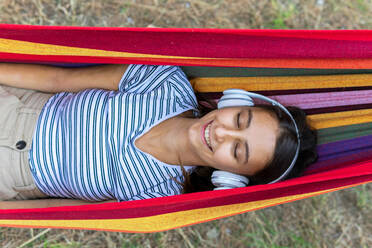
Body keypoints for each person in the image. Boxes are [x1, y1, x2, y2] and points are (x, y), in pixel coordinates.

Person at [0, 63, 317, 209]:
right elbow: (60, 78)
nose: (221, 131)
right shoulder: (165, 83)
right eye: (239, 119)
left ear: (231, 178)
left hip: (13, 178)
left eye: (237, 151)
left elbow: (63, 208)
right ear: (235, 102)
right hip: (15, 107)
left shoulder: (162, 196)